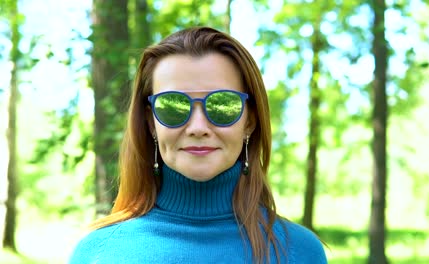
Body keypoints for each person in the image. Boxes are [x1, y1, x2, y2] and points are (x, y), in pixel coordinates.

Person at [70, 26, 327, 264]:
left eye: (222, 105)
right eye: (172, 106)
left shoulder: (300, 252)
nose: (198, 128)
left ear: (249, 121)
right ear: (151, 123)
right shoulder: (98, 252)